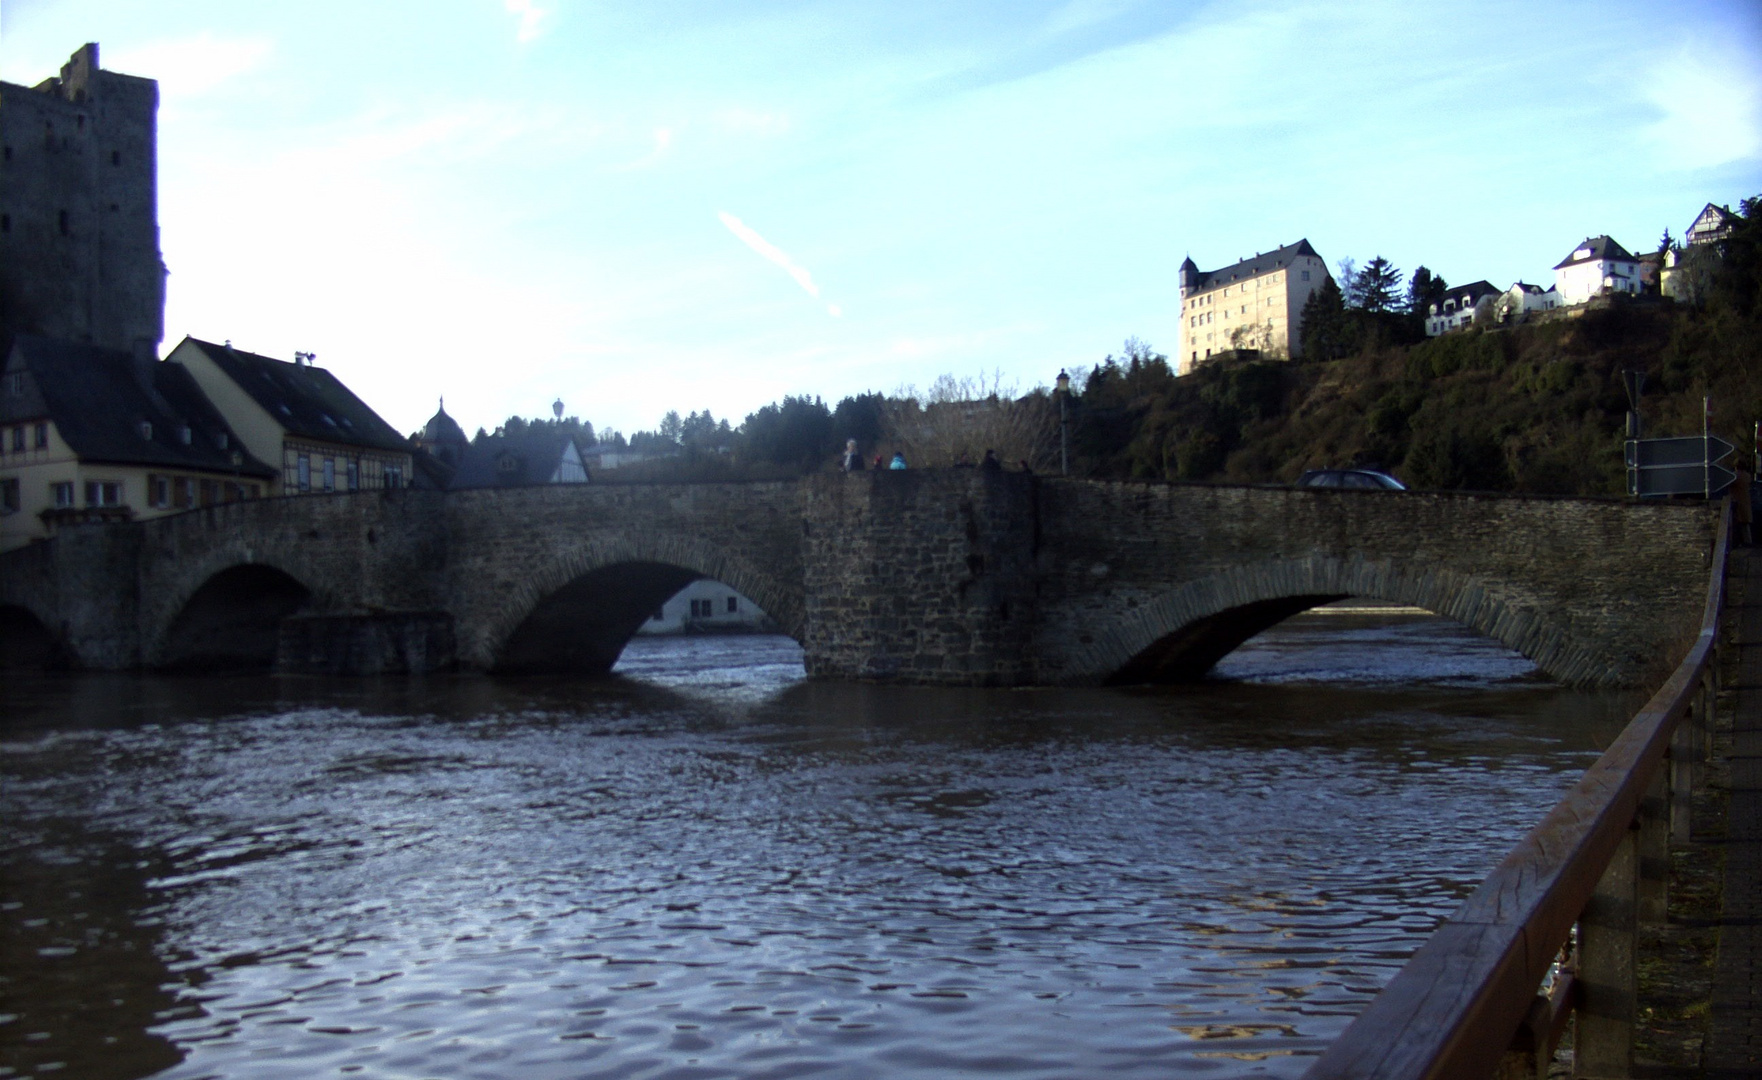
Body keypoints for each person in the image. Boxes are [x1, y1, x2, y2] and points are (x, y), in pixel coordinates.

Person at [1735, 459, 1753, 546]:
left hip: (1737, 500)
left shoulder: (1736, 476)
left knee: (1738, 522)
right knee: (1745, 523)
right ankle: (1748, 540)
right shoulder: (1747, 476)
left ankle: (1740, 541)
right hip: (1746, 500)